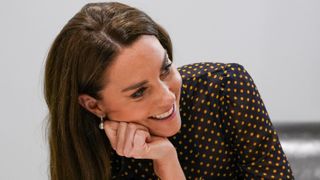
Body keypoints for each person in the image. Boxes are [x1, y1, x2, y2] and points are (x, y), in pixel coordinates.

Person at [44, 2, 294, 180]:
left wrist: (168, 164)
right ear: (94, 105)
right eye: (139, 92)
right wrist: (163, 160)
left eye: (165, 69)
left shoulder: (224, 89)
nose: (167, 97)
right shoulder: (94, 154)